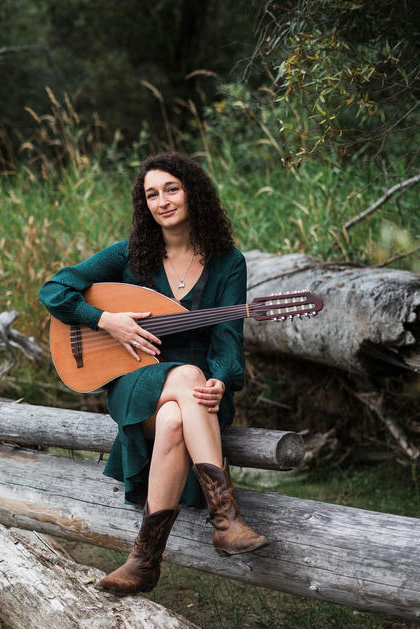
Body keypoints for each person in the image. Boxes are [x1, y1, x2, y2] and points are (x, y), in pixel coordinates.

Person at [39, 152, 268, 596]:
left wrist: (222, 379)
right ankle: (226, 521)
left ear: (192, 193)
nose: (162, 201)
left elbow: (228, 340)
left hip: (201, 397)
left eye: (171, 189)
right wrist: (107, 321)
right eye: (152, 194)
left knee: (176, 414)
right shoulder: (130, 255)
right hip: (137, 382)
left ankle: (144, 560)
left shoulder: (228, 262)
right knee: (185, 376)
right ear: (144, 204)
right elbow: (54, 290)